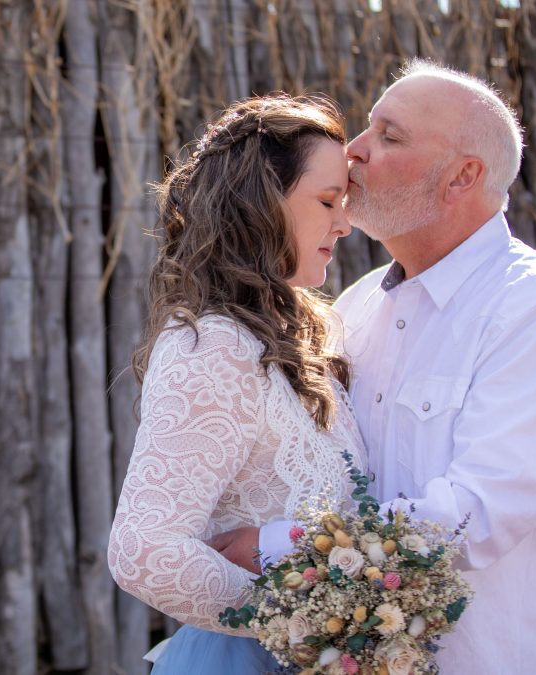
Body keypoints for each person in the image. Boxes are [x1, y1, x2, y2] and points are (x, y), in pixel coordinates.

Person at [217, 61, 536, 673]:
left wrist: (274, 548)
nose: (353, 151)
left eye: (389, 135)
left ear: (462, 177)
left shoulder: (535, 311)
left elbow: (478, 512)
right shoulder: (357, 307)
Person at [106, 94, 367, 674]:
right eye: (327, 200)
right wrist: (310, 618)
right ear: (260, 204)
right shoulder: (214, 346)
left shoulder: (306, 331)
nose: (344, 223)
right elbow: (144, 553)